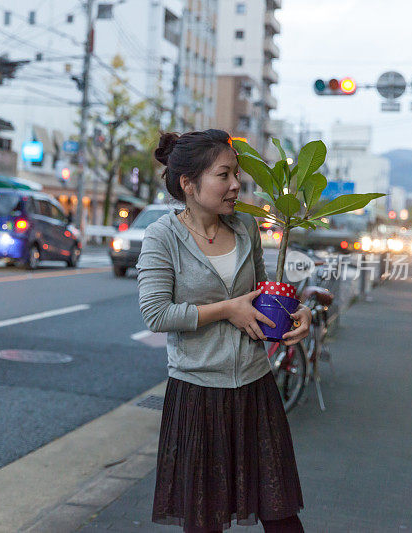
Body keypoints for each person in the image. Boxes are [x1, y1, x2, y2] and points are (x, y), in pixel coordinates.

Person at [137, 129, 311, 533]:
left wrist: (295, 311)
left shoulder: (246, 228)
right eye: (224, 175)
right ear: (188, 183)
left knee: (282, 514)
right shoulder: (163, 237)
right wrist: (226, 310)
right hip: (197, 393)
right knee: (204, 522)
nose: (236, 185)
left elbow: (261, 291)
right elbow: (156, 314)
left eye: (237, 176)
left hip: (255, 388)